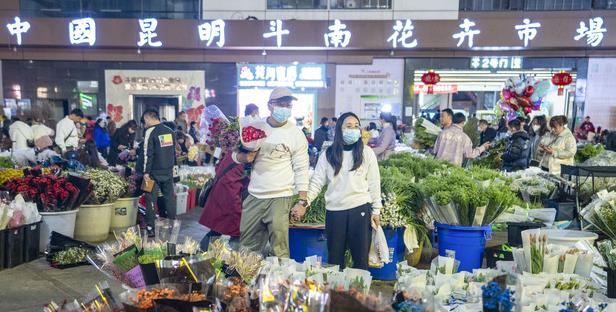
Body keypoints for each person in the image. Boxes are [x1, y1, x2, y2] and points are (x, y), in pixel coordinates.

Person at [296, 112, 381, 270]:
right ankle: (337, 293)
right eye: (348, 126)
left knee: (361, 260)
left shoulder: (366, 153)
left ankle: (359, 293)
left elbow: (374, 183)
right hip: (335, 213)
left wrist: (376, 210)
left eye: (356, 126)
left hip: (360, 210)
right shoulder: (328, 155)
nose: (353, 129)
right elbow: (316, 183)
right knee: (335, 260)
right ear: (339, 130)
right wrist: (304, 202)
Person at [233, 87, 309, 257]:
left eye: (288, 105)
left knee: (279, 249)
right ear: (269, 105)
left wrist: (302, 201)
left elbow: (301, 168)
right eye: (280, 104)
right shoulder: (255, 127)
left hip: (280, 197)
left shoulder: (296, 134)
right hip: (255, 195)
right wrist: (245, 158)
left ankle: (278, 281)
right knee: (247, 247)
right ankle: (246, 280)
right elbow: (234, 154)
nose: (285, 108)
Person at [198, 108, 256, 250]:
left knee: (218, 229)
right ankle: (233, 263)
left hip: (221, 196)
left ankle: (202, 251)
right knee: (234, 231)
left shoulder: (232, 153)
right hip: (228, 198)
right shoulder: (241, 157)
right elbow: (233, 183)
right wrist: (237, 206)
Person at [141, 109, 177, 236]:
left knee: (150, 198)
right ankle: (172, 226)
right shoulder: (170, 131)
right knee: (169, 199)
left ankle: (150, 228)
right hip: (168, 171)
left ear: (149, 118)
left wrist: (146, 172)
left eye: (145, 121)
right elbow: (173, 153)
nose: (145, 124)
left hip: (152, 173)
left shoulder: (150, 132)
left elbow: (147, 153)